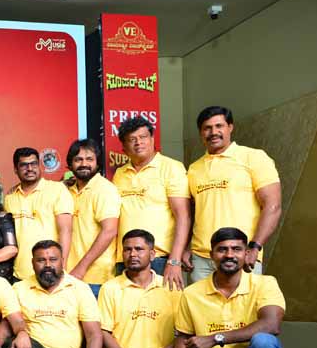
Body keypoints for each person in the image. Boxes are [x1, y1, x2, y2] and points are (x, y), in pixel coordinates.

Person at [94, 230, 183, 348]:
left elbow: (183, 333)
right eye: (127, 249)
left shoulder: (170, 286)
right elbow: (104, 333)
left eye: (139, 249)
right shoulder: (110, 288)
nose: (132, 254)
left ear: (152, 254)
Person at [7, 240, 102, 348]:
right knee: (13, 344)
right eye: (41, 260)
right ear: (32, 263)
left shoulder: (79, 288)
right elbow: (6, 325)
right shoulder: (19, 288)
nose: (47, 265)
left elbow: (94, 336)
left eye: (53, 259)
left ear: (62, 260)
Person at [187, 106, 281, 282]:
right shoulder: (194, 169)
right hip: (202, 259)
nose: (213, 132)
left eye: (219, 126)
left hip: (241, 255)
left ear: (230, 127)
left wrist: (255, 247)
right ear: (201, 132)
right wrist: (186, 248)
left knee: (244, 301)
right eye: (207, 128)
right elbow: (191, 213)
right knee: (200, 302)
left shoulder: (254, 157)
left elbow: (272, 205)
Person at [113, 116, 190, 290]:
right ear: (124, 147)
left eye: (143, 137)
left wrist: (174, 260)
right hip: (124, 258)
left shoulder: (171, 167)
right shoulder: (119, 174)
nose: (138, 143)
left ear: (152, 139)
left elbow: (183, 216)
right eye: (132, 139)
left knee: (162, 306)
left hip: (159, 259)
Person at [4, 147, 73, 282]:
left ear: (40, 166)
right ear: (16, 169)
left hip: (50, 272)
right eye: (24, 165)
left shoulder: (57, 190)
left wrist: (61, 268)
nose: (30, 168)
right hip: (19, 274)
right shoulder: (10, 198)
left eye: (34, 164)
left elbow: (66, 231)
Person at [66, 139, 120, 297]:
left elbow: (109, 231)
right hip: (68, 274)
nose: (84, 164)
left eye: (89, 159)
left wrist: (81, 268)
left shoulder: (104, 189)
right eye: (78, 159)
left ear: (97, 163)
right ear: (70, 164)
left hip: (95, 277)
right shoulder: (66, 190)